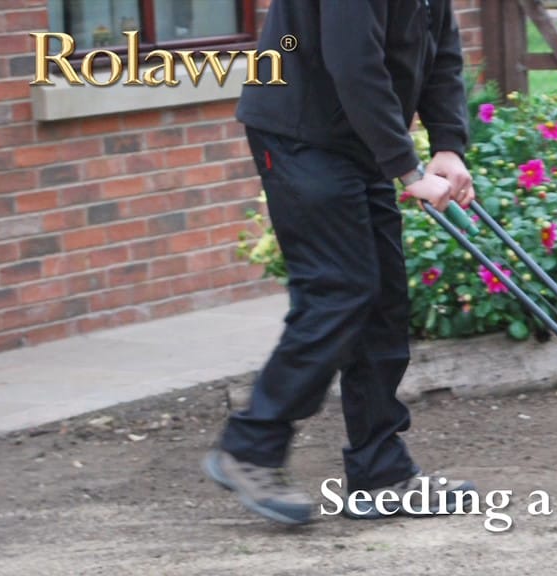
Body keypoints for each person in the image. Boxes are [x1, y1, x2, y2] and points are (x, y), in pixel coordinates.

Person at [202, 0, 476, 525]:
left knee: (383, 302)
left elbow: (440, 47)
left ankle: (381, 474)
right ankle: (250, 447)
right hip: (300, 133)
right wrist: (405, 166)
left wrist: (447, 144)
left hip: (357, 137)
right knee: (339, 288)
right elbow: (353, 60)